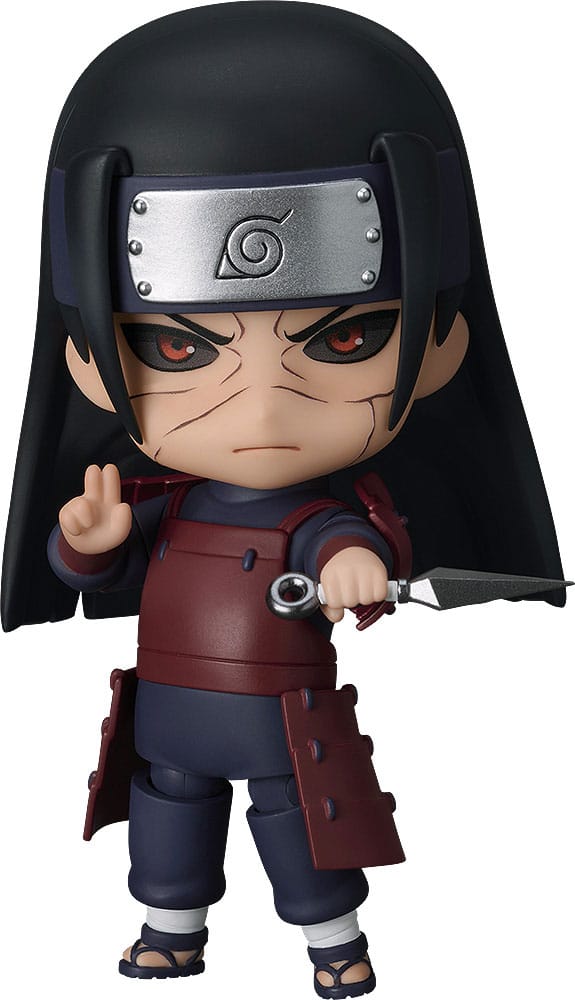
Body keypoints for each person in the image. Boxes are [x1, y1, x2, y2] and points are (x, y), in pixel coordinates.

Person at [1, 5, 565, 996]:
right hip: (169, 719)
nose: (261, 406)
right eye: (177, 347)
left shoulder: (311, 518)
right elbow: (113, 567)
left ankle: (332, 942)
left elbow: (344, 541)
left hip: (280, 730)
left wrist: (352, 564)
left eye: (342, 339)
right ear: (87, 364)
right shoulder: (161, 500)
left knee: (299, 825)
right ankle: (170, 928)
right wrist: (86, 544)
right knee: (166, 822)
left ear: (440, 345)